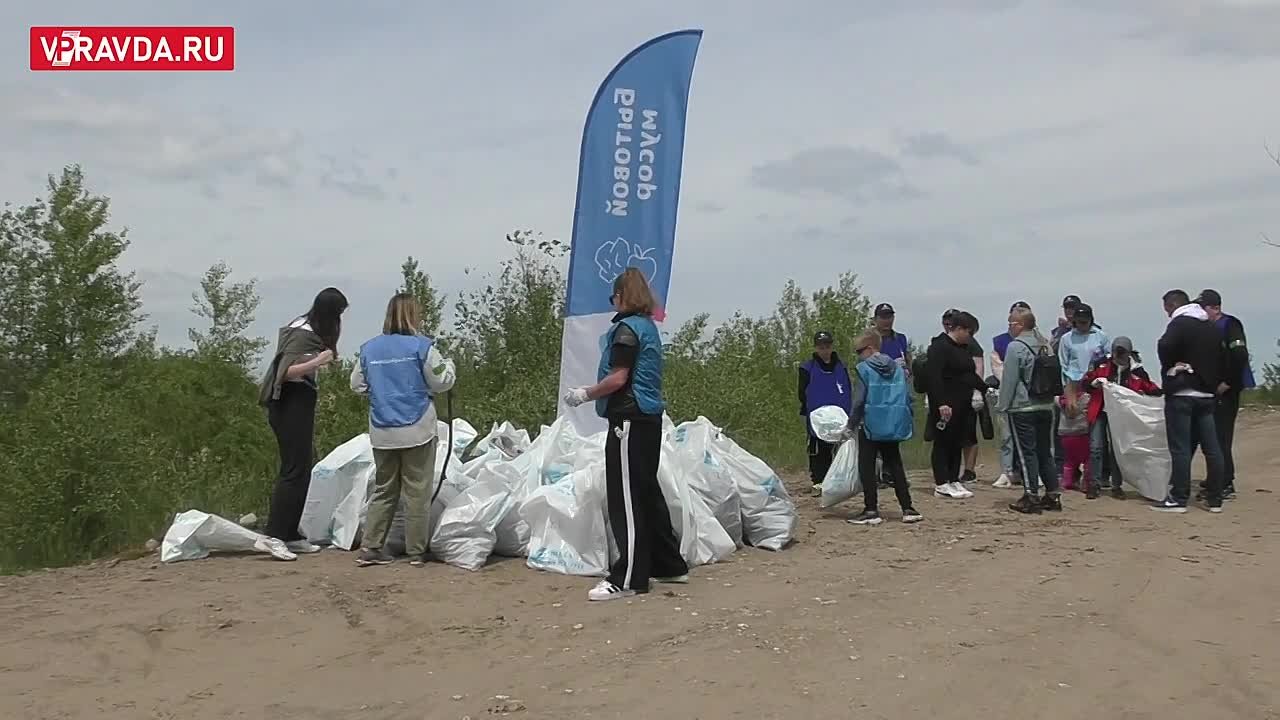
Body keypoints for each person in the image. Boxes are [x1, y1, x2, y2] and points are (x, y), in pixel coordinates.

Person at [563, 268, 688, 601]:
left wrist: (585, 394)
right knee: (647, 492)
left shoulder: (627, 331)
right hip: (647, 419)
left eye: (613, 297)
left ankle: (629, 577)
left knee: (626, 498)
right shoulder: (647, 327)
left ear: (621, 296)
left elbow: (619, 378)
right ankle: (668, 564)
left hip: (628, 421)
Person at [349, 293, 457, 567]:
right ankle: (416, 552)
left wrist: (381, 391)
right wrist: (451, 369)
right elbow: (441, 380)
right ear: (413, 315)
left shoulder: (369, 349)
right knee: (417, 491)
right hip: (417, 426)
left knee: (384, 489)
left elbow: (357, 385)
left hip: (382, 429)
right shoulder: (422, 347)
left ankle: (371, 547)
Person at [257, 287, 348, 557]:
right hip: (290, 401)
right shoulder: (303, 333)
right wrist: (319, 360)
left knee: (303, 466)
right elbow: (284, 372)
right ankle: (273, 535)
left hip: (299, 400)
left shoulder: (304, 329)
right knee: (293, 470)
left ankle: (289, 533)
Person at [1153, 289, 1228, 513]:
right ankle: (1215, 499)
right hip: (1207, 395)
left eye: (1167, 308)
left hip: (1183, 393)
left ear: (1173, 305)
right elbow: (1223, 358)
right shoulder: (1210, 327)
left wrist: (1171, 366)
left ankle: (1178, 498)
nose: (1167, 314)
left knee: (1181, 448)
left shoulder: (1180, 323)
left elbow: (1165, 346)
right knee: (1213, 448)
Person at [841, 331, 921, 525]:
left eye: (859, 351)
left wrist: (850, 425)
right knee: (895, 464)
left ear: (870, 348)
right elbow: (909, 396)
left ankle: (871, 510)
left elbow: (859, 400)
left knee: (866, 466)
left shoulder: (864, 369)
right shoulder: (898, 369)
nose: (858, 355)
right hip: (893, 423)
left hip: (870, 424)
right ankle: (908, 508)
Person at [996, 306, 1061, 514]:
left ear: (1021, 325)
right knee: (1045, 452)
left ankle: (1031, 495)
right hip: (1046, 405)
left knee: (1026, 453)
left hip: (1023, 407)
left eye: (1011, 323)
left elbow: (1010, 380)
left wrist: (1002, 407)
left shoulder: (1016, 347)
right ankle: (1052, 495)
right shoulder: (1046, 345)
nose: (1009, 327)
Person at [1082, 336, 1161, 499]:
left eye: (1122, 352)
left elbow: (1152, 388)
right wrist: (1093, 383)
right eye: (1116, 352)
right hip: (1100, 411)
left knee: (1117, 450)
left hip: (1121, 417)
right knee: (1096, 447)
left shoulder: (1136, 371)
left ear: (1129, 353)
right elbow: (1085, 383)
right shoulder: (1101, 365)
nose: (1119, 356)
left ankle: (1116, 485)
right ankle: (1094, 484)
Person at [1195, 290, 1253, 500]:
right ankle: (1215, 477)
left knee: (1221, 437)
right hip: (1211, 390)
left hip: (1227, 390)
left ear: (1216, 308)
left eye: (1204, 308)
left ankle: (1225, 482)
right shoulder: (1206, 328)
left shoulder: (1230, 325)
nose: (1200, 312)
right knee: (1210, 437)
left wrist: (1228, 382)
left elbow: (1239, 355)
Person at [925, 310, 985, 500]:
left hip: (963, 403)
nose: (970, 337)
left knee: (957, 442)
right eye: (969, 332)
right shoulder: (939, 347)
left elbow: (968, 374)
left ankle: (953, 478)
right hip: (945, 404)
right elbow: (934, 378)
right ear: (958, 328)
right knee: (943, 442)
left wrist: (983, 388)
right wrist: (941, 402)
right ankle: (941, 483)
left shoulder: (963, 349)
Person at [798, 330, 853, 496]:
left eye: (827, 346)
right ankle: (818, 480)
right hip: (817, 416)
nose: (824, 350)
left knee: (837, 448)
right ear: (816, 347)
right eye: (821, 347)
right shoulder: (806, 368)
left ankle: (836, 479)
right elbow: (802, 392)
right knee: (817, 449)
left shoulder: (841, 367)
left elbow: (847, 389)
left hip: (839, 415)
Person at [990, 301, 1030, 488]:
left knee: (1029, 437)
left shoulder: (1038, 341)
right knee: (1006, 436)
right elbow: (998, 367)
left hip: (1029, 396)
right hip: (1007, 393)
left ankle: (1028, 472)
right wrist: (1010, 381)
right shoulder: (1000, 341)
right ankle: (1007, 471)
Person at [871, 303, 910, 489]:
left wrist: (908, 372)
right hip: (878, 393)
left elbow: (908, 362)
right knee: (877, 433)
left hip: (897, 393)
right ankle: (876, 473)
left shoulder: (900, 339)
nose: (887, 320)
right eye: (883, 317)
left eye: (889, 316)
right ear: (876, 318)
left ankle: (890, 472)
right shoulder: (870, 339)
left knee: (894, 432)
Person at [1057, 391, 1091, 493]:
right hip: (1082, 433)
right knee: (1087, 460)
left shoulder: (1059, 399)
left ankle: (1067, 482)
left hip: (1065, 434)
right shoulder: (1086, 398)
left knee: (1069, 461)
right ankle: (1086, 484)